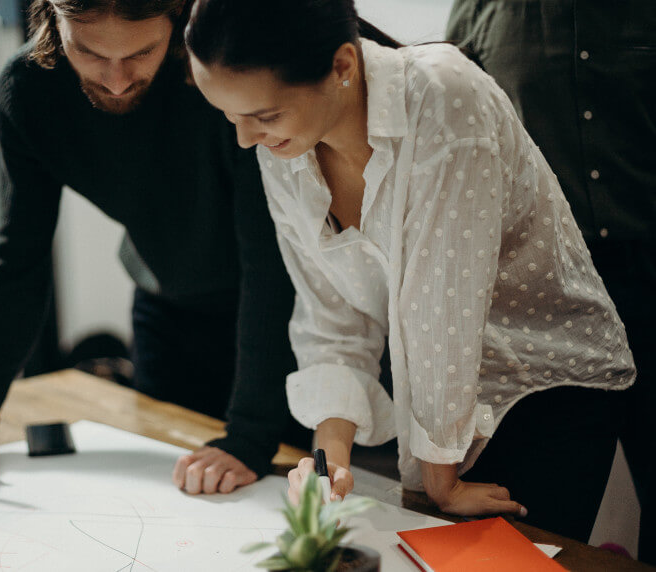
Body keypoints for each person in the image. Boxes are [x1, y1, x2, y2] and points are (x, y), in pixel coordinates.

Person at [185, 0, 636, 541]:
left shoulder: (444, 97)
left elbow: (441, 309)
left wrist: (439, 481)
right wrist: (328, 463)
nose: (245, 139)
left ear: (343, 66)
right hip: (438, 409)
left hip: (539, 385)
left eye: (263, 116)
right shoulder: (283, 146)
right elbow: (332, 316)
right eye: (230, 116)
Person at [0, 0, 309, 496]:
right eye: (88, 52)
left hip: (281, 322)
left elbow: (268, 261)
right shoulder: (28, 91)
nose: (115, 80)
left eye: (140, 53)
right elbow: (19, 255)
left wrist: (250, 437)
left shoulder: (222, 79)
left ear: (176, 21)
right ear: (51, 17)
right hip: (166, 315)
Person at [445, 1, 655, 562]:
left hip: (650, 271)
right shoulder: (481, 11)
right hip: (546, 304)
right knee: (535, 520)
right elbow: (459, 138)